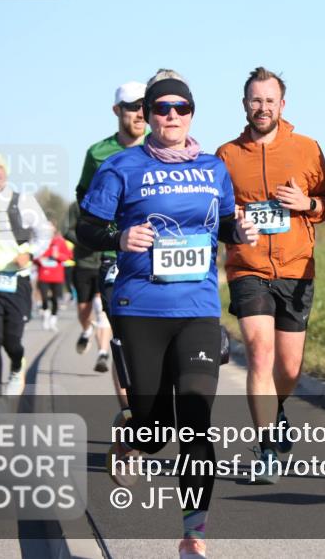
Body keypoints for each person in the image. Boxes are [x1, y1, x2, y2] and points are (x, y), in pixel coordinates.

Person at [77, 69, 256, 559]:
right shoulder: (121, 166)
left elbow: (222, 222)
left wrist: (239, 233)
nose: (172, 116)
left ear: (192, 113)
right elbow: (86, 229)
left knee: (196, 421)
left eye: (181, 108)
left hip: (197, 308)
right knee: (155, 433)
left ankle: (193, 535)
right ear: (148, 115)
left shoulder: (213, 167)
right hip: (140, 306)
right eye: (162, 108)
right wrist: (120, 237)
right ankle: (131, 431)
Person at [215, 66, 325, 483]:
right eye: (255, 100)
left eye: (270, 100)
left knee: (288, 369)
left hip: (295, 269)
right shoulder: (227, 155)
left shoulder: (306, 148)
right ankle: (266, 446)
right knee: (260, 354)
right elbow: (213, 210)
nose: (262, 107)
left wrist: (307, 204)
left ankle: (278, 408)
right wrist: (230, 219)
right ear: (244, 104)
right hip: (247, 267)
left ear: (282, 105)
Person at [65, 80, 147, 381]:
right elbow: (83, 199)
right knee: (123, 339)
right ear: (117, 110)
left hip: (157, 255)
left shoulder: (161, 145)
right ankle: (131, 415)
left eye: (144, 106)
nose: (140, 113)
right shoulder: (98, 152)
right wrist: (106, 226)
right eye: (132, 107)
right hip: (114, 254)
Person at [0, 154, 52, 399]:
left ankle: (17, 366)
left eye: (0, 168)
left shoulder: (23, 201)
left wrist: (30, 253)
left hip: (17, 280)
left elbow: (43, 233)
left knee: (11, 341)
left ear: (6, 171)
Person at [36, 222, 73, 331]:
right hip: (43, 274)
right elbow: (33, 256)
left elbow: (68, 256)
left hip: (57, 275)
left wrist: (59, 256)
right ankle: (45, 314)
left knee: (56, 299)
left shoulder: (60, 242)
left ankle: (53, 319)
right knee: (44, 297)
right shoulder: (40, 242)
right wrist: (39, 259)